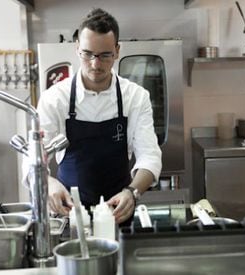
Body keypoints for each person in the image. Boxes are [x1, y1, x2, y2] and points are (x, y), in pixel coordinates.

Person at [35, 8, 162, 225]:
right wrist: (48, 183)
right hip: (68, 215)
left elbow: (149, 156)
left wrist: (132, 192)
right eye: (88, 54)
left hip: (118, 215)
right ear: (77, 49)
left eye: (105, 55)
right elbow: (33, 160)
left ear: (117, 51)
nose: (95, 64)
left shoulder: (135, 97)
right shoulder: (54, 99)